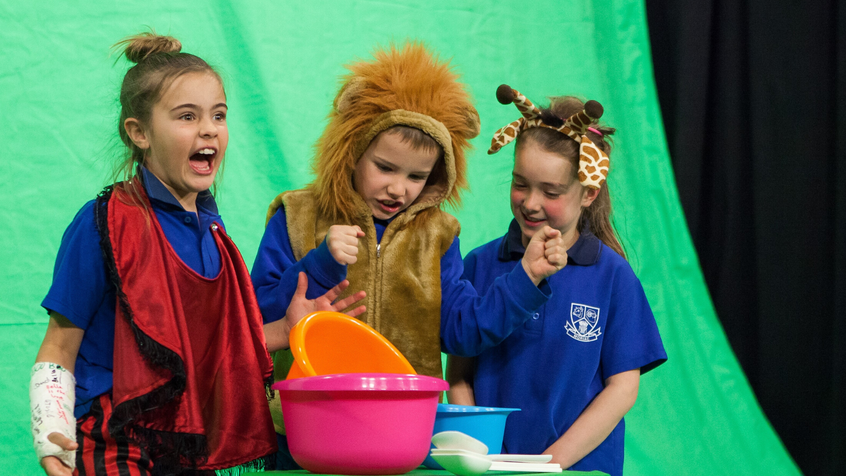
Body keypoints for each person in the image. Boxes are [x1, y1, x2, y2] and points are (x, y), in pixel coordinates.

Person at [30, 32, 364, 476]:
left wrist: (286, 328)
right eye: (187, 116)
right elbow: (58, 343)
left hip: (187, 436)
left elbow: (207, 351)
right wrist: (49, 432)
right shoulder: (104, 222)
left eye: (218, 115)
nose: (209, 129)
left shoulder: (213, 232)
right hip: (115, 433)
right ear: (140, 133)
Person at [251, 44, 568, 468]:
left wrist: (525, 278)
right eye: (385, 167)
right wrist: (319, 265)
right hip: (305, 433)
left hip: (405, 435)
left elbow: (462, 330)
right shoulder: (296, 214)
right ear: (353, 151)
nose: (398, 189)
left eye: (417, 176)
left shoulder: (438, 235)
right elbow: (254, 312)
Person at [447, 85, 668, 476]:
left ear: (588, 193)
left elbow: (622, 389)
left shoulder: (613, 277)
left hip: (579, 468)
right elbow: (460, 373)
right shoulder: (480, 264)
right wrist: (481, 455)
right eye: (520, 184)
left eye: (550, 191)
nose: (530, 203)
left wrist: (550, 463)